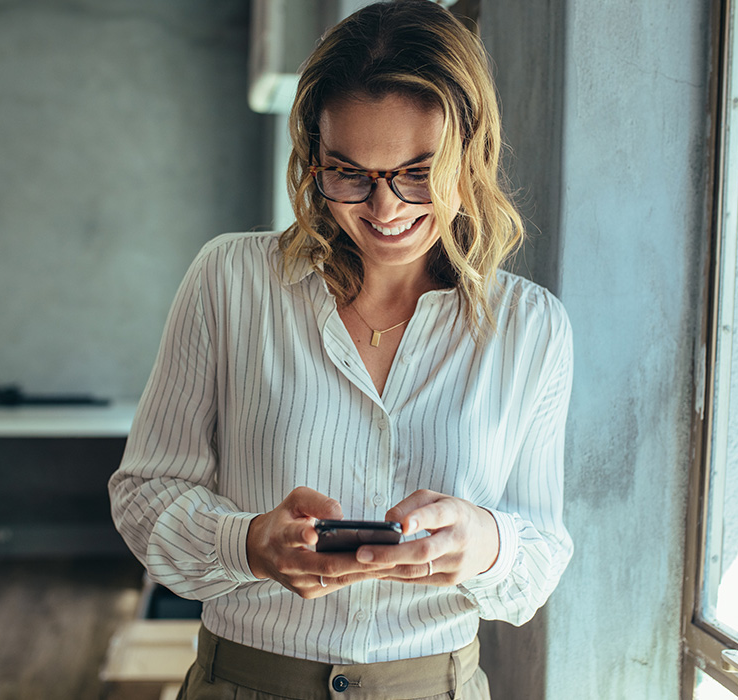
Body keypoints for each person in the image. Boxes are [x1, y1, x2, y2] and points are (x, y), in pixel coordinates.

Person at [109, 1, 573, 698]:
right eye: (349, 172)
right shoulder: (230, 280)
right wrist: (247, 543)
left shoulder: (532, 326)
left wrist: (486, 544)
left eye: (419, 172)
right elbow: (144, 497)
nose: (384, 211)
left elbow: (538, 561)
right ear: (313, 157)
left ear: (470, 154)